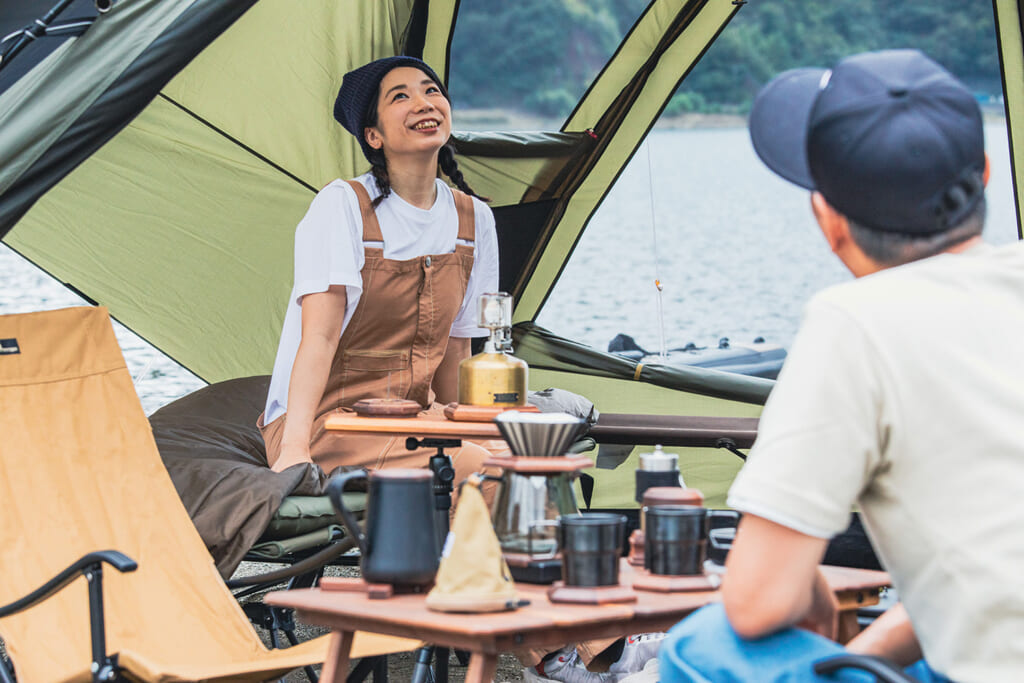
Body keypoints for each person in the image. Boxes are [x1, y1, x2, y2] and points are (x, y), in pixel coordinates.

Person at [659, 49, 1024, 682]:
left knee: (700, 647)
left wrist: (813, 595)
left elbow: (755, 604)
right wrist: (861, 658)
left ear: (827, 220)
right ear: (985, 173)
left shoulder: (857, 322)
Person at [258, 56, 499, 488]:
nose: (424, 103)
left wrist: (463, 428)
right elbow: (319, 337)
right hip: (327, 424)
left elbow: (454, 352)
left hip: (415, 419)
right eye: (400, 96)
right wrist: (295, 447)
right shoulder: (342, 205)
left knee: (527, 454)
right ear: (374, 135)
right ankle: (470, 554)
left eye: (432, 91)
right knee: (484, 469)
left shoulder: (474, 219)